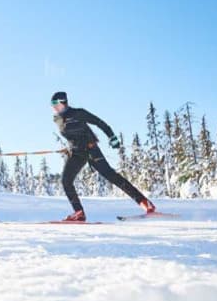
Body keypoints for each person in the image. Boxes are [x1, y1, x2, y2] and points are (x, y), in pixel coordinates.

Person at [51, 91, 155, 221]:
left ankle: (145, 203)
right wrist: (70, 147)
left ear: (63, 102)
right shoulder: (57, 119)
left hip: (91, 150)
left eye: (55, 103)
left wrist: (112, 137)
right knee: (66, 180)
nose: (53, 107)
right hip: (77, 153)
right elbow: (73, 136)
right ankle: (79, 213)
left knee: (112, 176)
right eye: (52, 104)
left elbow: (99, 122)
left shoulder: (78, 113)